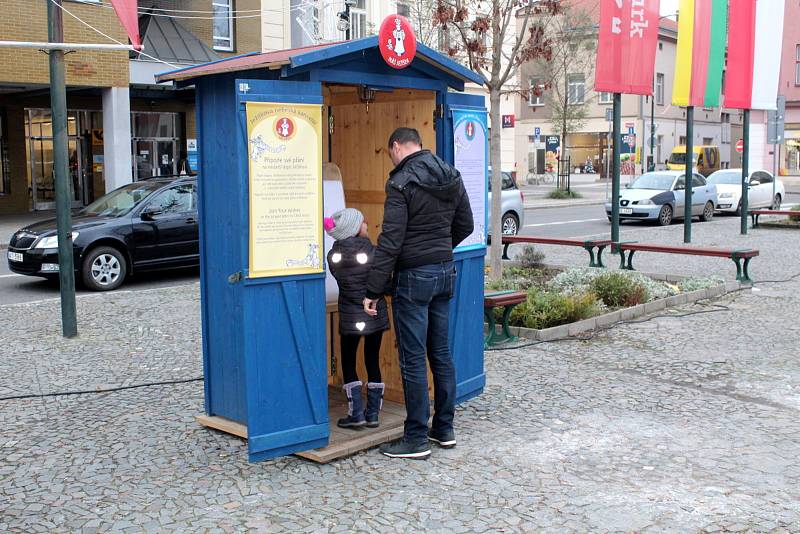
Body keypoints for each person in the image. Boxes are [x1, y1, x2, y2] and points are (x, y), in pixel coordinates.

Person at [363, 127, 473, 459]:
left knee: (412, 359)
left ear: (397, 147)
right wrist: (439, 249)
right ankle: (444, 428)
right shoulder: (450, 175)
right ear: (419, 145)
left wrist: (373, 289)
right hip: (444, 273)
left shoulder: (401, 182)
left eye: (391, 153)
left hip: (414, 278)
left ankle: (415, 439)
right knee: (440, 353)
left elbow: (391, 241)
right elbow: (465, 224)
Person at [325, 208, 390, 429]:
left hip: (350, 315)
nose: (366, 224)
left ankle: (356, 414)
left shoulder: (334, 255)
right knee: (372, 359)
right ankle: (372, 414)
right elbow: (384, 281)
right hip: (374, 313)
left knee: (349, 361)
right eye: (362, 222)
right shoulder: (375, 252)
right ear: (353, 228)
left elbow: (343, 279)